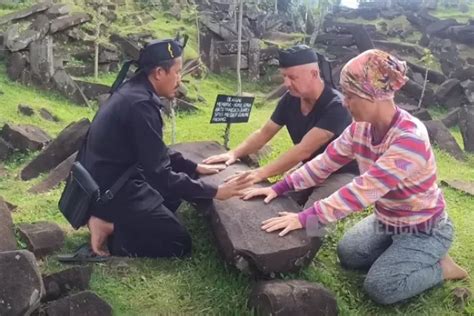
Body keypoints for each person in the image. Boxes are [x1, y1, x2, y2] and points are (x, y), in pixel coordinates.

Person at [242, 49, 468, 305]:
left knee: (381, 287)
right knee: (348, 254)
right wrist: (279, 187)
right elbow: (325, 162)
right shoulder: (360, 129)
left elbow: (362, 190)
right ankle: (403, 253)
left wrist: (305, 217)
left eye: (350, 96)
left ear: (373, 95)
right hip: (387, 219)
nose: (345, 103)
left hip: (424, 228)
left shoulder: (410, 139)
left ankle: (442, 268)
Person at [78, 38, 250, 258]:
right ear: (159, 73)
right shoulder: (141, 106)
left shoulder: (133, 90)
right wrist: (216, 191)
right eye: (177, 72)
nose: (180, 80)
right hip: (113, 190)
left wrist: (194, 167)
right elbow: (160, 174)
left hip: (110, 179)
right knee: (177, 243)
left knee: (173, 197)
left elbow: (155, 149)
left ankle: (119, 219)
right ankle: (107, 226)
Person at [204, 45, 359, 209]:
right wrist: (234, 153)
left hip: (341, 172)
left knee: (313, 215)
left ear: (314, 73)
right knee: (277, 199)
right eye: (284, 76)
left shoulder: (336, 106)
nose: (286, 83)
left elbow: (303, 149)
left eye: (292, 77)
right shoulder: (290, 99)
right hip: (310, 167)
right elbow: (264, 133)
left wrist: (259, 173)